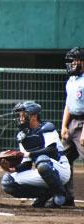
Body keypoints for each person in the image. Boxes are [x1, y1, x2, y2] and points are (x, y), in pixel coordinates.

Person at [0, 101, 70, 208]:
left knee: (42, 161)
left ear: (34, 116)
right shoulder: (22, 135)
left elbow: (51, 150)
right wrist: (11, 169)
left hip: (60, 169)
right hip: (42, 170)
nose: (21, 118)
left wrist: (27, 154)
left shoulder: (47, 128)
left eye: (24, 115)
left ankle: (60, 195)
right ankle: (45, 196)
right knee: (8, 181)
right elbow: (27, 165)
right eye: (20, 115)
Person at [60, 46, 84, 207]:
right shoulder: (72, 80)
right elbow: (69, 104)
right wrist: (64, 126)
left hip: (83, 123)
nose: (73, 63)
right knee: (62, 159)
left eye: (76, 60)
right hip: (73, 122)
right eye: (72, 60)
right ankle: (67, 197)